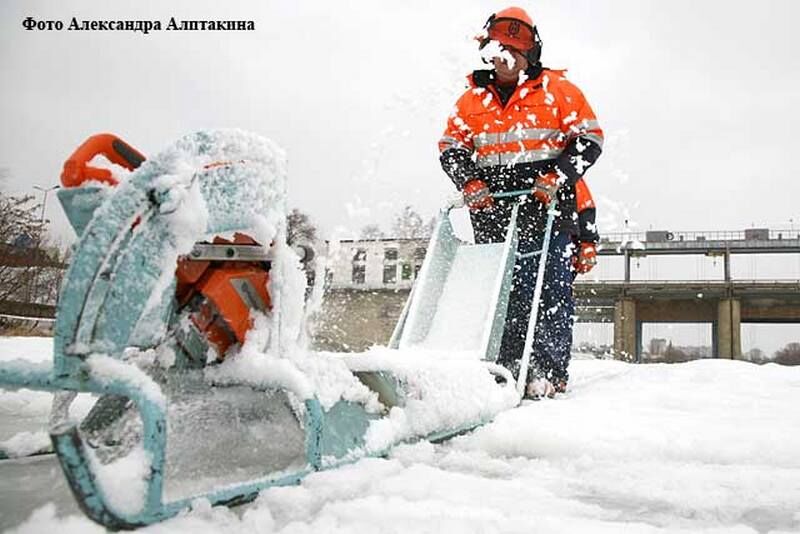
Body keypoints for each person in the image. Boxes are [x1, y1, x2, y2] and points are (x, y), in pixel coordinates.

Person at [438, 6, 603, 398]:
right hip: (491, 209)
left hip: (547, 207)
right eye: (498, 49)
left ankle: (548, 370)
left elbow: (590, 141)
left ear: (531, 52)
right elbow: (450, 147)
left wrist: (554, 178)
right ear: (487, 51)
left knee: (549, 289)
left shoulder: (560, 92)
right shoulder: (471, 100)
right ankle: (506, 365)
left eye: (514, 49)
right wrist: (469, 182)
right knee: (503, 290)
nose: (504, 57)